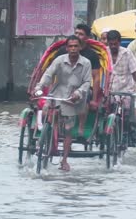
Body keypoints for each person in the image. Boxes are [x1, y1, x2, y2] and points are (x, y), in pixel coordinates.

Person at [34, 35, 92, 171]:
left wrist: (78, 93)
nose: (73, 49)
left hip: (74, 97)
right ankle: (43, 138)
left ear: (80, 48)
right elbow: (48, 74)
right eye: (70, 46)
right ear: (67, 48)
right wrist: (40, 87)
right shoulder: (59, 60)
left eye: (75, 46)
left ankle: (64, 160)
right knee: (45, 111)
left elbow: (87, 83)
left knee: (67, 130)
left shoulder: (86, 63)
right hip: (58, 93)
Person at [56, 24, 101, 137]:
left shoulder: (91, 55)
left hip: (84, 85)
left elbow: (96, 77)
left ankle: (81, 127)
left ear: (87, 37)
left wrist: (95, 100)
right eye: (76, 33)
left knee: (84, 97)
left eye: (81, 34)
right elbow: (52, 72)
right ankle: (60, 125)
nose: (77, 36)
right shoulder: (63, 51)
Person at [107, 30, 136, 109]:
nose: (113, 46)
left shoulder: (127, 53)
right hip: (109, 90)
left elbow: (135, 73)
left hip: (126, 90)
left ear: (119, 42)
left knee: (127, 113)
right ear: (108, 43)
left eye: (115, 44)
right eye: (111, 44)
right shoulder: (104, 53)